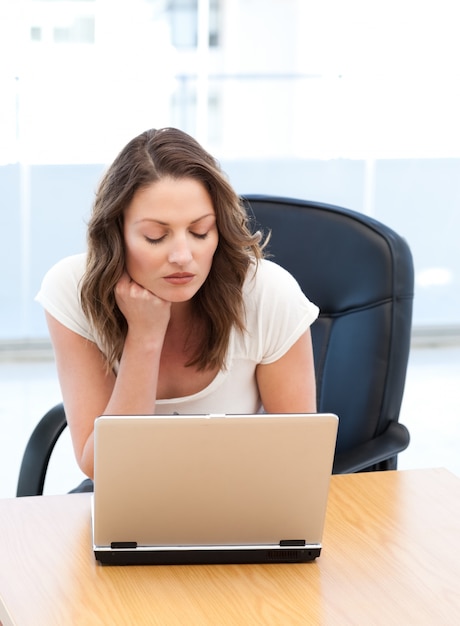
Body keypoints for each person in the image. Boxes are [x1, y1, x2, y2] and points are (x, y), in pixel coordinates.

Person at [36, 127, 319, 491]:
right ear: (116, 233)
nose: (183, 257)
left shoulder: (268, 293)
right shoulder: (71, 290)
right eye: (156, 236)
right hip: (128, 499)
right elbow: (102, 468)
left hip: (241, 497)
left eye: (200, 232)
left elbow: (300, 458)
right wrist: (144, 337)